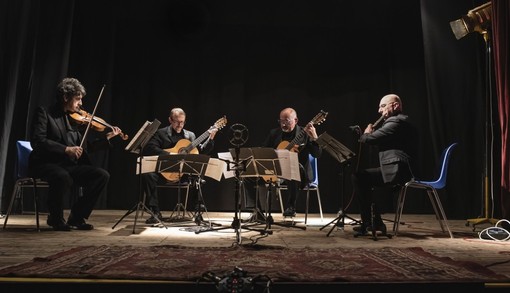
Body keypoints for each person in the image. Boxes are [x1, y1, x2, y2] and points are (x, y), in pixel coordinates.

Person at [29, 77, 123, 231]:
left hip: (67, 165)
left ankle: (77, 217)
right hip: (45, 163)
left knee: (101, 175)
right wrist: (65, 149)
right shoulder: (45, 113)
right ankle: (55, 218)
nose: (81, 103)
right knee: (61, 176)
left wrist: (106, 139)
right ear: (65, 97)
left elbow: (85, 148)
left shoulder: (74, 119)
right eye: (78, 99)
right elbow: (38, 141)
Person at [351, 94, 416, 235]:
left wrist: (366, 133)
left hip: (399, 171)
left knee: (359, 177)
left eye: (383, 106)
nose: (379, 111)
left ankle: (371, 222)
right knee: (363, 178)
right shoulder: (398, 122)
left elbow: (368, 140)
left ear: (395, 105)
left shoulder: (396, 122)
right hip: (398, 168)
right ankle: (373, 222)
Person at [244, 107, 322, 219]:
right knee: (248, 176)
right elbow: (263, 151)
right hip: (276, 171)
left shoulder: (305, 134)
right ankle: (256, 211)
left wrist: (314, 137)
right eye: (281, 121)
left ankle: (291, 207)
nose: (283, 124)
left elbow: (317, 154)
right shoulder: (274, 133)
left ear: (296, 120)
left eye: (287, 121)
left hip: (299, 174)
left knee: (291, 170)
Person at [141, 107, 216, 224]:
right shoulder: (161, 133)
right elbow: (150, 148)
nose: (180, 125)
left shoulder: (189, 135)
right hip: (164, 171)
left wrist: (211, 137)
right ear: (170, 120)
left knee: (198, 174)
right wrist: (170, 154)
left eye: (182, 122)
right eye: (177, 121)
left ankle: (198, 212)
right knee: (148, 175)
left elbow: (200, 151)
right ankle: (155, 212)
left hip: (183, 173)